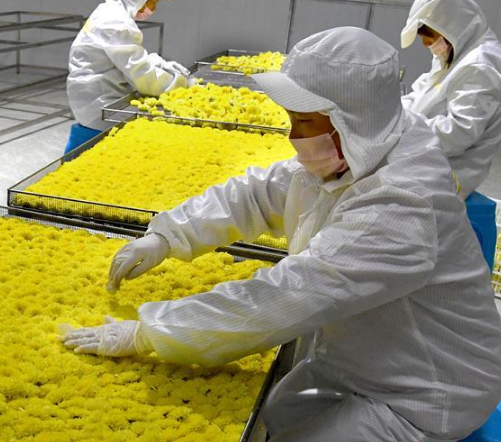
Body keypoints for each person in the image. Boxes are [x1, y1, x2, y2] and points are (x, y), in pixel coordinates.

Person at [62, 27, 501, 441]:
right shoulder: (364, 147)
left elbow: (283, 297)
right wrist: (168, 235)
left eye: (303, 120)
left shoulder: (403, 202)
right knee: (278, 414)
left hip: (426, 389)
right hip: (365, 357)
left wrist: (149, 332)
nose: (292, 134)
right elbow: (258, 193)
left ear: (348, 120)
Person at [400, 0, 501, 199]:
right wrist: (394, 111)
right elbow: (420, 91)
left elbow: (458, 133)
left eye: (429, 35)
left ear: (452, 25)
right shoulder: (454, 53)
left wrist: (405, 124)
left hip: (447, 174)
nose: (425, 43)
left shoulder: (480, 65)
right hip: (425, 158)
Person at [65, 0, 190, 155]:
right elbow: (143, 76)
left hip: (89, 97)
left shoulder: (109, 10)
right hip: (101, 104)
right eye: (153, 2)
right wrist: (181, 83)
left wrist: (159, 63)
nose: (154, 8)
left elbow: (127, 57)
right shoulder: (118, 24)